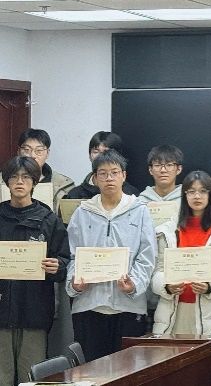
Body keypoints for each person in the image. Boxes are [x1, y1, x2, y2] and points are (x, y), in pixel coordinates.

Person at [66, 150, 156, 361]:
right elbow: (72, 255)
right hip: (89, 304)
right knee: (90, 369)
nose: (109, 178)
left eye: (114, 172)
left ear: (124, 176)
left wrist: (133, 285)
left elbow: (147, 256)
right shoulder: (83, 212)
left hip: (128, 305)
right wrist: (75, 283)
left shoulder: (140, 211)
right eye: (103, 173)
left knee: (127, 369)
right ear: (95, 178)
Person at [0, 156, 70, 385]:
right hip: (1, 307)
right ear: (7, 182)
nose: (19, 182)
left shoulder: (48, 219)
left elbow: (64, 260)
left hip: (34, 308)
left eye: (26, 177)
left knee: (32, 375)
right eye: (14, 177)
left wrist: (57, 265)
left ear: (34, 182)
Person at [151, 171, 211, 336]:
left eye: (202, 191)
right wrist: (167, 286)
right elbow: (156, 271)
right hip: (173, 313)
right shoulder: (169, 231)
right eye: (191, 191)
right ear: (184, 195)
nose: (197, 196)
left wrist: (210, 286)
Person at [6, 128, 76, 205]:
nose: (32, 155)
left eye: (39, 150)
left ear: (47, 153)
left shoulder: (64, 184)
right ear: (19, 151)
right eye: (26, 150)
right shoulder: (3, 180)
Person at [65, 131, 139, 199]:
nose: (100, 157)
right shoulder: (75, 194)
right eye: (96, 152)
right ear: (90, 155)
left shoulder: (131, 194)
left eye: (106, 152)